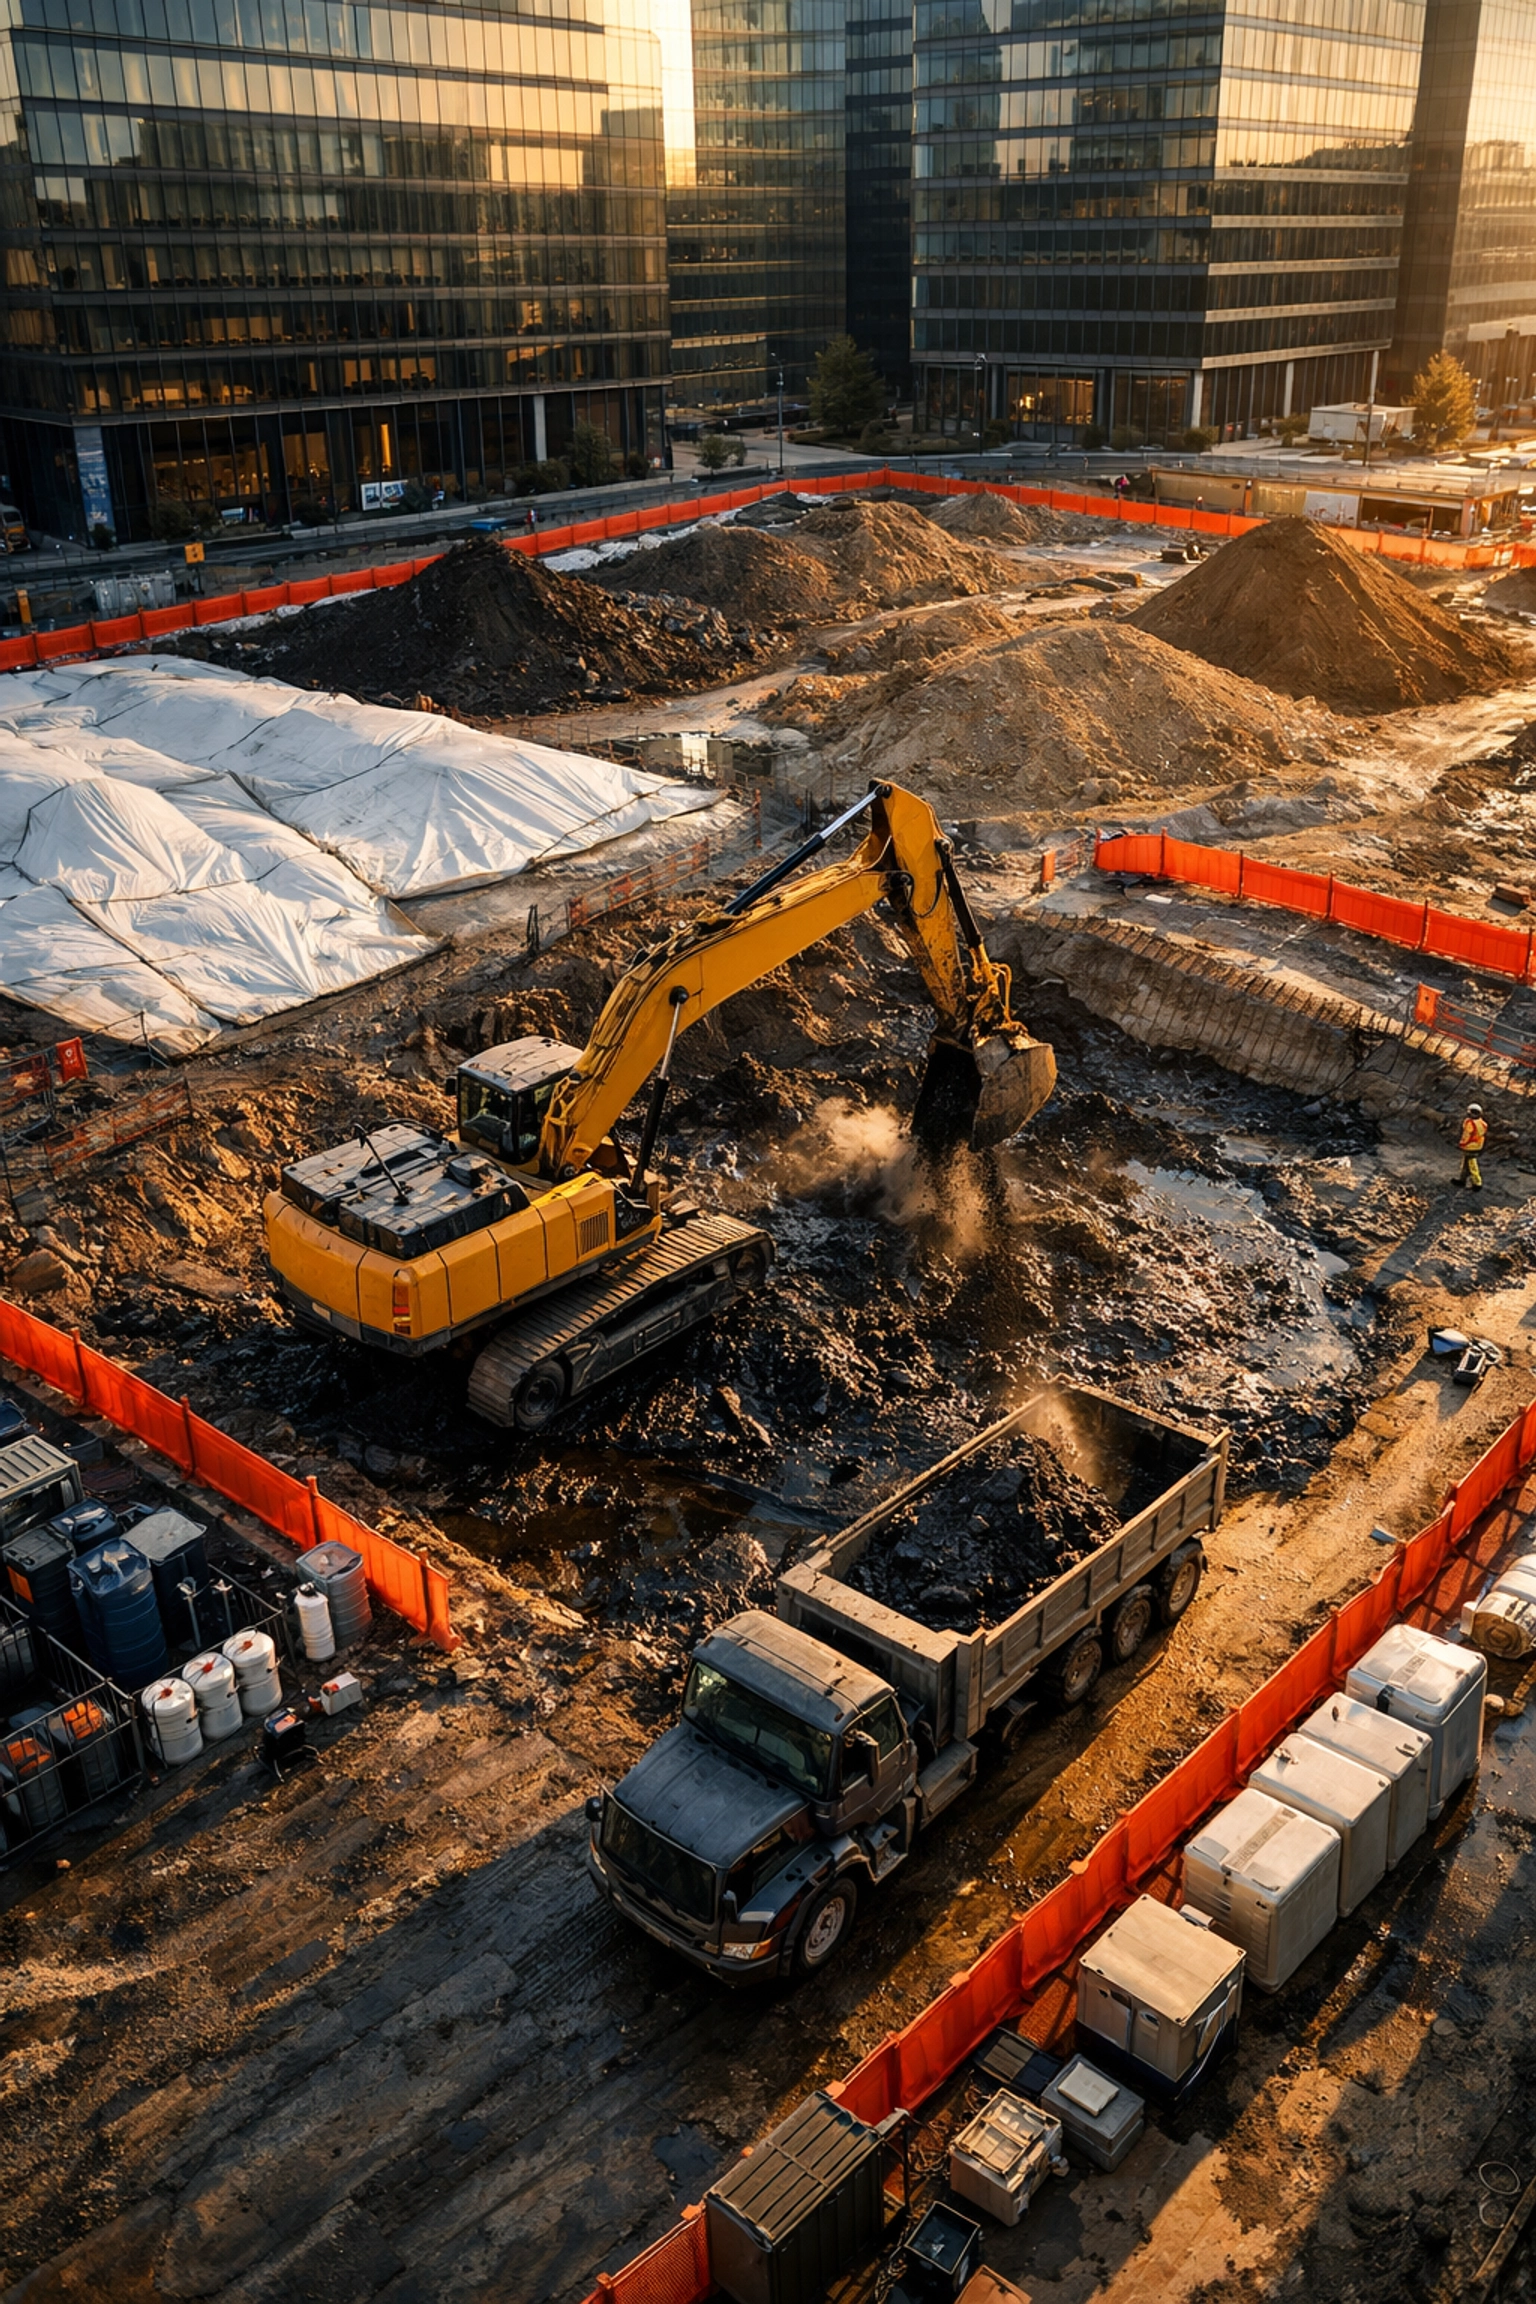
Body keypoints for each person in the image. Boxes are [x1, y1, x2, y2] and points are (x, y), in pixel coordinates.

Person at [1460, 1102, 1487, 1189]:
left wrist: (1463, 1143)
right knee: (1468, 1164)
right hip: (1478, 1146)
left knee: (1471, 1164)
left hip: (1469, 1146)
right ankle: (1463, 1180)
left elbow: (1467, 1135)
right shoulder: (1482, 1123)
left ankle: (1477, 1183)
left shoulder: (1470, 1123)